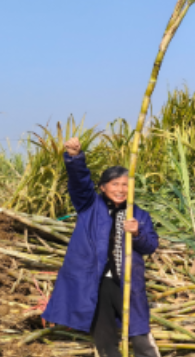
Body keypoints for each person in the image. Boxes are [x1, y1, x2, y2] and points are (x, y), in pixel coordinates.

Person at [42, 137, 160, 357]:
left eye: (125, 184)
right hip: (95, 282)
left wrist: (137, 233)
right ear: (103, 187)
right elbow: (79, 182)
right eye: (115, 184)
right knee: (104, 337)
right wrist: (75, 158)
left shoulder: (139, 215)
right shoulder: (89, 205)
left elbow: (151, 245)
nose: (121, 189)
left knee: (138, 332)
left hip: (127, 282)